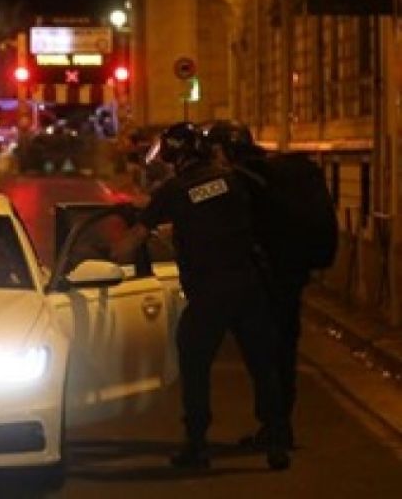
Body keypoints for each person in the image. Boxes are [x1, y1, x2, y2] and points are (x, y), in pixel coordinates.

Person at [113, 122, 290, 470]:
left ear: (173, 156)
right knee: (262, 364)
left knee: (195, 363)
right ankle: (276, 441)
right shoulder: (233, 180)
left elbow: (132, 241)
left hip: (209, 292)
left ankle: (196, 445)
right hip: (249, 285)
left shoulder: (174, 190)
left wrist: (106, 253)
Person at [202, 119, 337, 450]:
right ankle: (281, 425)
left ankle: (275, 429)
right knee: (284, 352)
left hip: (261, 281)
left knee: (263, 357)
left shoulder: (237, 181)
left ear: (221, 150)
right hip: (291, 276)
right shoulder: (276, 174)